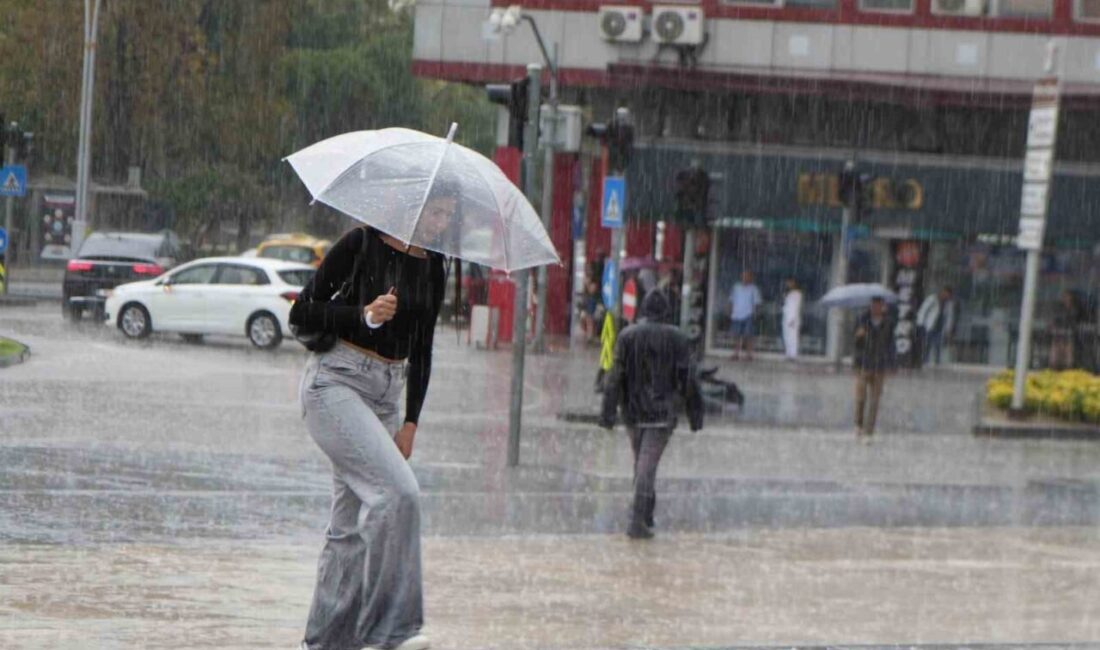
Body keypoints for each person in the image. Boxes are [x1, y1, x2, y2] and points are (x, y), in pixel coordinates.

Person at [290, 193, 452, 650]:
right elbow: (301, 313)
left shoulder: (435, 265)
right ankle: (391, 631)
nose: (440, 224)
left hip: (387, 397)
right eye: (435, 212)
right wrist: (362, 314)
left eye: (447, 217)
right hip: (335, 383)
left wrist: (411, 421)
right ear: (414, 207)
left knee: (348, 531)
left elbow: (423, 348)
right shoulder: (361, 242)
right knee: (398, 494)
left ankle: (324, 643)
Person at [600, 290, 704, 540]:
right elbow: (688, 379)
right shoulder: (677, 338)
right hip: (661, 413)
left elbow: (614, 377)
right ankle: (638, 517)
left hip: (633, 412)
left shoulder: (627, 336)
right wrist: (694, 413)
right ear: (666, 312)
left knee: (642, 461)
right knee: (646, 464)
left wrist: (608, 412)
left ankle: (644, 512)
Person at [853, 296, 895, 444]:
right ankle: (858, 424)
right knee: (860, 398)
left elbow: (891, 344)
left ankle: (868, 431)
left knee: (875, 401)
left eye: (879, 305)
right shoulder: (861, 320)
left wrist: (891, 363)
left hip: (879, 365)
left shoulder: (888, 323)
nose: (876, 308)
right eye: (873, 305)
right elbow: (855, 343)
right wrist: (859, 337)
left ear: (882, 306)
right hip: (864, 364)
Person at [916, 286, 956, 366]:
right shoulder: (932, 299)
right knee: (927, 344)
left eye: (949, 296)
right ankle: (925, 361)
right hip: (930, 325)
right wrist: (920, 323)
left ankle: (937, 362)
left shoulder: (948, 304)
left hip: (940, 327)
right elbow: (923, 310)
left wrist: (948, 329)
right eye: (946, 294)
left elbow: (949, 317)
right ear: (943, 292)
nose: (947, 297)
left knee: (938, 345)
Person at [729, 270, 763, 361]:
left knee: (748, 335)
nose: (744, 278)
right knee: (736, 335)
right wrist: (730, 311)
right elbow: (731, 300)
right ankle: (736, 353)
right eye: (743, 276)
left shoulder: (753, 289)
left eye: (747, 276)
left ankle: (749, 354)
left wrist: (756, 314)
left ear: (750, 278)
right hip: (736, 314)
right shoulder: (736, 287)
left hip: (748, 314)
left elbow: (757, 303)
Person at [1050, 289, 1084, 370]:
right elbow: (1055, 319)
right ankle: (1054, 365)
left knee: (1068, 349)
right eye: (1064, 296)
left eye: (1067, 296)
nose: (1065, 298)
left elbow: (1075, 320)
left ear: (1071, 298)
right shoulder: (1059, 308)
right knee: (1056, 346)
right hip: (1058, 333)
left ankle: (1068, 367)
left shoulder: (1076, 308)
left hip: (1070, 334)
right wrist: (1053, 325)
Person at [781, 277, 803, 361]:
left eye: (789, 283)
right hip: (786, 317)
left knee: (792, 337)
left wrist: (792, 318)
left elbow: (795, 307)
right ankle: (788, 353)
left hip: (793, 318)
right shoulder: (788, 293)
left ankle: (793, 355)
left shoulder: (797, 293)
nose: (788, 284)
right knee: (786, 336)